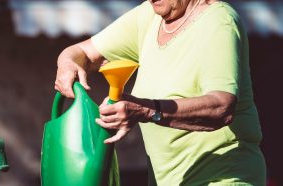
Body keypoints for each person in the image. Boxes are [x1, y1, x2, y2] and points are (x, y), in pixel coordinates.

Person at [54, 0, 266, 185]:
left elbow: (221, 106)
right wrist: (66, 62)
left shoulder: (219, 21)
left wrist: (146, 110)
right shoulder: (148, 16)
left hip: (222, 177)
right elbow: (83, 52)